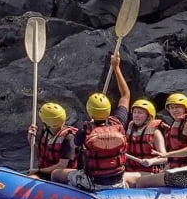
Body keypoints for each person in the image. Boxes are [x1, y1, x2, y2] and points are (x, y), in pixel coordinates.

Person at [52, 53, 131, 190]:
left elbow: (73, 145)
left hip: (92, 183)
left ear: (89, 110)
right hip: (117, 181)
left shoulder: (85, 130)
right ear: (108, 109)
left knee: (56, 174)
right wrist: (116, 67)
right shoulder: (118, 123)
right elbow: (125, 95)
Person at [129, 93, 187, 188]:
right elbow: (174, 160)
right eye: (172, 108)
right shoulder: (177, 124)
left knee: (141, 182)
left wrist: (166, 154)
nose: (174, 110)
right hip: (179, 171)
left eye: (177, 107)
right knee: (145, 180)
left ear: (185, 108)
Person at [27, 103, 77, 180]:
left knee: (32, 177)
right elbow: (39, 156)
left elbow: (61, 166)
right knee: (30, 178)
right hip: (45, 172)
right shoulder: (46, 132)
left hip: (61, 177)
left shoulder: (68, 138)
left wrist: (39, 170)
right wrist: (31, 142)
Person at [122, 98, 167, 177]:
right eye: (134, 112)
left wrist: (151, 161)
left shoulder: (155, 133)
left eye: (140, 113)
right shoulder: (130, 129)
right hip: (130, 170)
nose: (136, 115)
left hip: (149, 173)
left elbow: (164, 158)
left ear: (149, 116)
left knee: (124, 177)